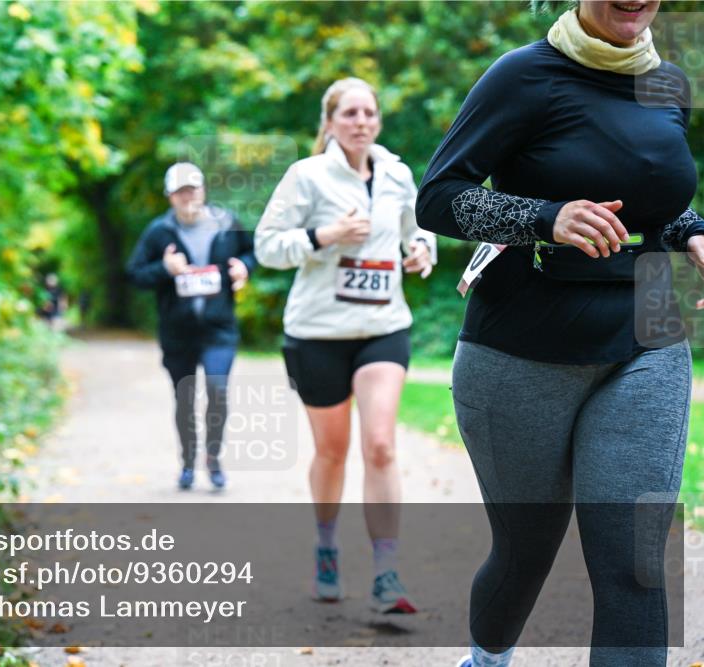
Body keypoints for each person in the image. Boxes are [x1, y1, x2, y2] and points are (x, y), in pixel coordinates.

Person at [415, 2, 704, 665]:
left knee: (635, 559)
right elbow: (439, 195)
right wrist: (548, 216)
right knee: (526, 547)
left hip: (649, 333)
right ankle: (488, 655)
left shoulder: (669, 83)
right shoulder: (522, 75)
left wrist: (693, 231)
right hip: (521, 345)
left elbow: (656, 198)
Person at [255, 77, 437, 612]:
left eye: (369, 113)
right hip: (318, 333)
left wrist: (421, 251)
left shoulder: (397, 174)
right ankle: (327, 546)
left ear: (378, 120)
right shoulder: (306, 177)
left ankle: (386, 572)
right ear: (330, 122)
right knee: (331, 453)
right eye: (350, 113)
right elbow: (267, 247)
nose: (361, 121)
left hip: (384, 327)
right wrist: (323, 237)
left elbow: (416, 229)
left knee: (379, 444)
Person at [126, 162, 257, 490]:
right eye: (180, 191)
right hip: (178, 331)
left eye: (193, 189)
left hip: (219, 328)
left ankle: (213, 459)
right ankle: (187, 460)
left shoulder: (227, 224)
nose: (188, 197)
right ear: (170, 196)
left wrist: (245, 268)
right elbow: (135, 274)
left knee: (217, 390)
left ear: (203, 190)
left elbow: (254, 251)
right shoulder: (159, 232)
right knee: (184, 398)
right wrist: (165, 269)